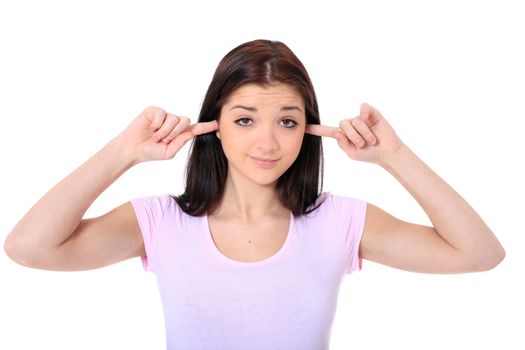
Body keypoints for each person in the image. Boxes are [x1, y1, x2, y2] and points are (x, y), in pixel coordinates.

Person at [4, 39, 505, 349]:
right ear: (214, 125)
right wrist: (123, 151)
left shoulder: (340, 221)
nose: (267, 142)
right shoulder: (158, 221)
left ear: (309, 129)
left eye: (287, 121)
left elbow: (480, 255)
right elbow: (29, 248)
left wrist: (394, 156)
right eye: (244, 119)